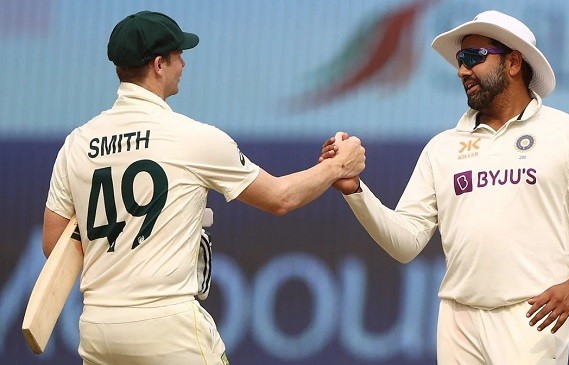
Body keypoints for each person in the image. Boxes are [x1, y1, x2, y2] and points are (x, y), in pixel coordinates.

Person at [42, 10, 365, 365]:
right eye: (178, 54)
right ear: (158, 65)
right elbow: (280, 198)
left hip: (97, 327)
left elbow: (53, 244)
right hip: (167, 327)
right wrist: (337, 166)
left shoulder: (77, 144)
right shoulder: (193, 138)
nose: (184, 63)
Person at [320, 10, 569, 364]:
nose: (461, 70)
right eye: (459, 60)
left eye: (472, 57)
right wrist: (355, 190)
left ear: (513, 62)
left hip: (531, 317)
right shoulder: (442, 147)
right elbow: (405, 243)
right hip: (457, 321)